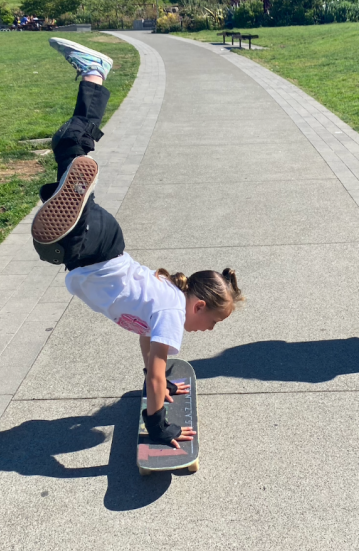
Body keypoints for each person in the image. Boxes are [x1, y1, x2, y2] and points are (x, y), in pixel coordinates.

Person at [31, 38, 244, 447]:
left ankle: (67, 193)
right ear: (198, 305)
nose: (208, 329)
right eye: (212, 321)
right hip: (98, 251)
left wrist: (156, 385)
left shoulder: (164, 307)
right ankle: (66, 202)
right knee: (69, 163)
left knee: (68, 152)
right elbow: (158, 367)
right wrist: (158, 424)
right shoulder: (170, 312)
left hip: (97, 252)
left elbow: (148, 351)